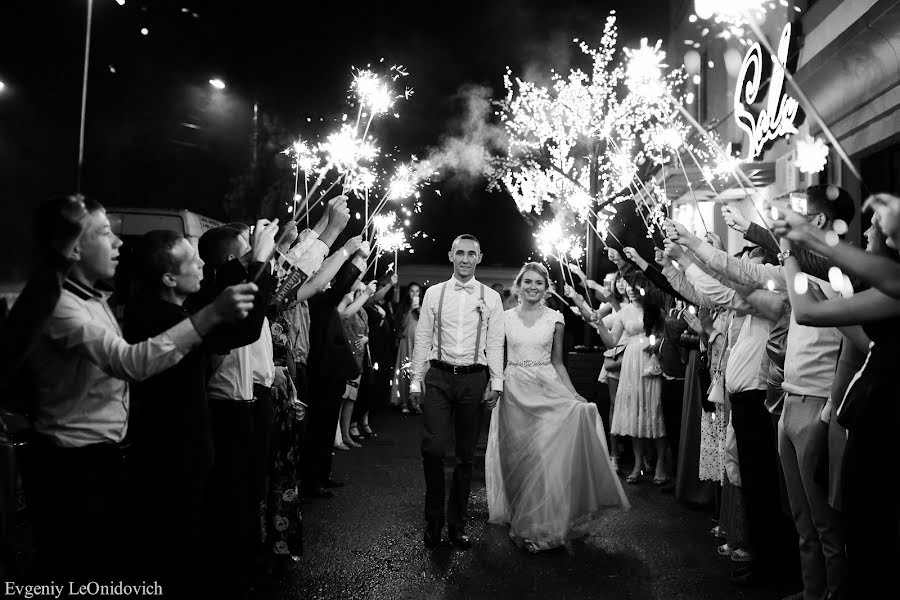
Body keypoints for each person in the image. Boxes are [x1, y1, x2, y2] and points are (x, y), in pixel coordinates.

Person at [23, 197, 257, 584]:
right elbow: (130, 363)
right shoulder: (61, 305)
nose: (118, 242)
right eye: (103, 233)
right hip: (72, 465)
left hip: (104, 458)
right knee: (83, 571)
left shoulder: (93, 299)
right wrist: (210, 315)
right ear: (72, 247)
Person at [485, 262, 628, 553]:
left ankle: (540, 528)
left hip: (546, 388)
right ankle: (520, 515)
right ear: (519, 285)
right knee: (517, 459)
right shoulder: (504, 317)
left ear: (546, 287)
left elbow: (558, 362)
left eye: (539, 282)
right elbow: (495, 356)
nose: (533, 287)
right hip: (514, 392)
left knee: (543, 456)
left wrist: (573, 395)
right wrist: (494, 384)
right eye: (528, 282)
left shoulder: (555, 318)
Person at [409, 234, 504, 550]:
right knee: (433, 449)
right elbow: (422, 339)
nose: (465, 259)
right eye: (460, 253)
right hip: (438, 376)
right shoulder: (434, 294)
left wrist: (497, 381)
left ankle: (456, 525)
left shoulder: (491, 297)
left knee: (465, 457)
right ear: (451, 255)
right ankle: (433, 520)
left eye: (471, 254)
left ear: (479, 257)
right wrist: (414, 380)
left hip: (474, 379)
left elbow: (494, 344)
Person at [392, 281, 422, 413]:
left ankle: (416, 403)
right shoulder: (403, 308)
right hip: (406, 343)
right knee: (405, 372)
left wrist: (420, 311)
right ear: (408, 293)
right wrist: (410, 310)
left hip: (419, 345)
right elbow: (400, 326)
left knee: (418, 373)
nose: (414, 294)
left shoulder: (423, 308)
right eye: (412, 291)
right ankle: (404, 402)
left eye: (417, 291)